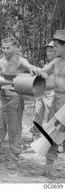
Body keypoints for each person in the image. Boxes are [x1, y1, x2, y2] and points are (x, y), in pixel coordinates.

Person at [0, 36, 40, 170]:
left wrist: (33, 68)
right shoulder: (0, 62)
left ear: (15, 48)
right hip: (1, 97)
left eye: (8, 48)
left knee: (14, 129)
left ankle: (14, 157)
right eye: (3, 48)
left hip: (15, 98)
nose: (5, 50)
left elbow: (29, 66)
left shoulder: (20, 61)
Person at [41, 30, 65, 167]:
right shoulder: (56, 61)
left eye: (56, 46)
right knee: (51, 132)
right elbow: (43, 72)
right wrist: (39, 73)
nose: (54, 48)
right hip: (56, 99)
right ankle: (48, 168)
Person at [30, 41, 56, 139]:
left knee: (53, 116)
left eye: (51, 51)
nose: (48, 53)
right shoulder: (47, 64)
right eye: (47, 51)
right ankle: (36, 134)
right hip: (41, 92)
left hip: (52, 93)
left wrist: (35, 69)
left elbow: (44, 72)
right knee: (37, 113)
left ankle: (54, 138)